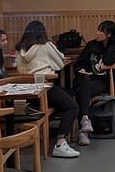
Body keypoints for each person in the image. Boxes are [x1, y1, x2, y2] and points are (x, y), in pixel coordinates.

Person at [14, 21, 80, 158]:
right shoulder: (45, 46)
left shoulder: (20, 48)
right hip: (44, 89)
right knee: (72, 107)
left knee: (65, 96)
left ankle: (47, 132)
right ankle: (60, 143)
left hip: (25, 93)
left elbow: (18, 68)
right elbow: (60, 63)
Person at [72, 20, 115, 147]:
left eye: (100, 31)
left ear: (109, 34)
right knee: (84, 83)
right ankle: (85, 121)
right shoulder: (91, 45)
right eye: (97, 30)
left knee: (82, 92)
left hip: (100, 81)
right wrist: (82, 71)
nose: (97, 33)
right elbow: (78, 64)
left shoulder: (114, 47)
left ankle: (83, 129)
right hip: (84, 79)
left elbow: (110, 61)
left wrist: (111, 45)